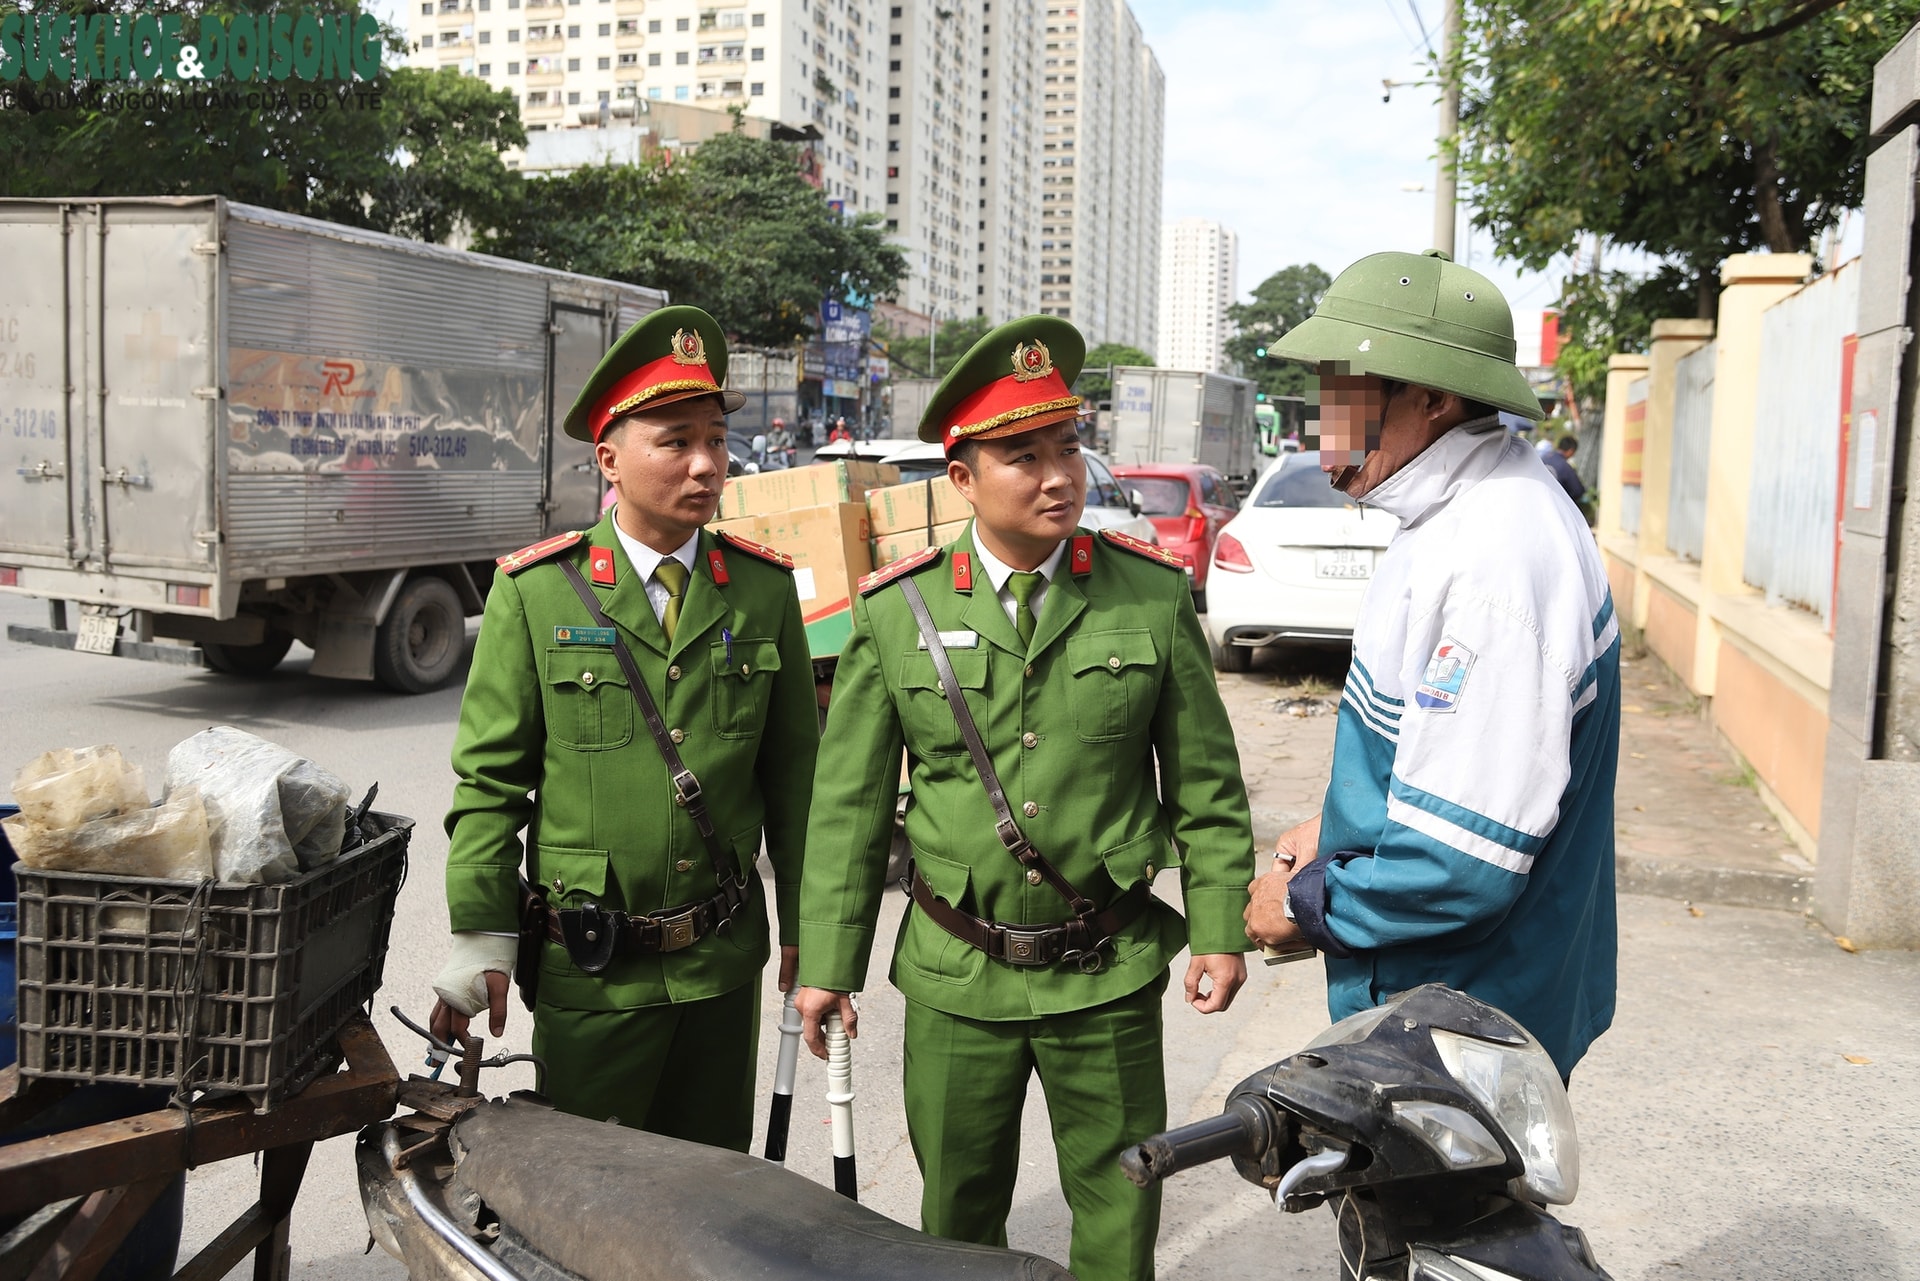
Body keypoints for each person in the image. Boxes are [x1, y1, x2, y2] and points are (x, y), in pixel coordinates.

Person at [793, 316, 1254, 1281]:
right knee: (958, 1214)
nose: (1058, 476)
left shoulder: (1148, 598)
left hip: (1110, 968)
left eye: (1070, 447)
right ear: (961, 477)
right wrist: (829, 966)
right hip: (961, 976)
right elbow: (849, 810)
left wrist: (1216, 926)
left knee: (1122, 1207)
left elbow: (1206, 786)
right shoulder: (898, 609)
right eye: (1024, 455)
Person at [429, 305, 819, 1151]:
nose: (706, 463)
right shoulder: (537, 593)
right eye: (675, 440)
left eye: (716, 439)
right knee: (588, 1210)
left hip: (719, 972)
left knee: (714, 1206)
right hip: (592, 976)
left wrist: (812, 934)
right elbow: (490, 785)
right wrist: (480, 937)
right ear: (609, 457)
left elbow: (796, 787)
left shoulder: (760, 591)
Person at [1244, 250, 1619, 1090]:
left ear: (1432, 398)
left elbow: (1458, 867)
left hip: (1461, 1024)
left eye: (1344, 390)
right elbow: (1442, 749)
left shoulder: (1494, 561)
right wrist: (1336, 831)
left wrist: (1306, 906)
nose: (1322, 425)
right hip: (1462, 1008)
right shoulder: (1465, 505)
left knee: (1433, 1223)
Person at [1544, 433, 1587, 506]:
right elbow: (1577, 491)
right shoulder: (1565, 467)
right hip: (1555, 504)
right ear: (1571, 450)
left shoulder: (1544, 457)